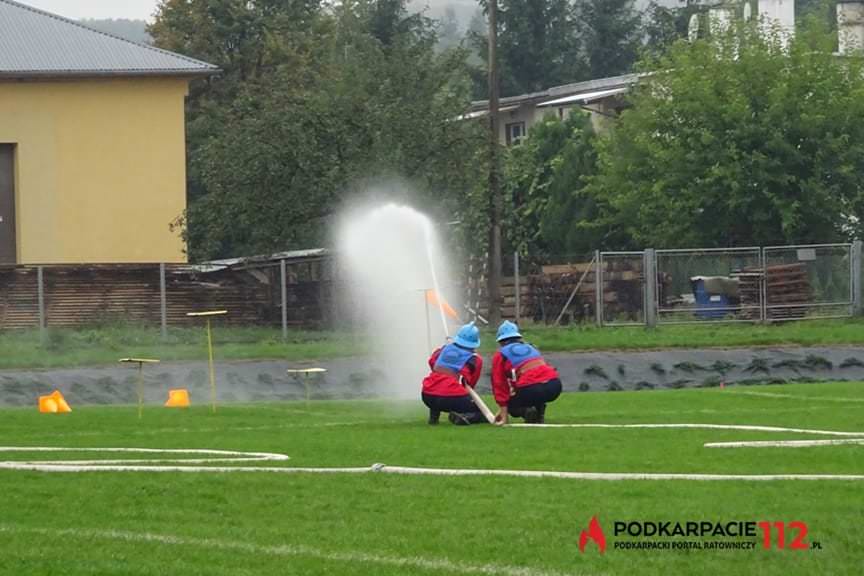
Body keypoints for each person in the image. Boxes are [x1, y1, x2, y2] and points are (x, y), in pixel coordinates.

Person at [491, 321, 561, 425]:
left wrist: (503, 412)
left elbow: (499, 384)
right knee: (537, 387)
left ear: (501, 341)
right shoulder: (531, 347)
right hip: (554, 385)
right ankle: (539, 414)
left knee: (512, 403)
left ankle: (526, 412)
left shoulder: (501, 354)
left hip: (531, 388)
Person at [421, 322, 487, 425]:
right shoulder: (475, 359)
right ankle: (463, 417)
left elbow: (432, 362)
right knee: (480, 412)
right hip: (452, 397)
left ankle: (433, 419)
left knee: (437, 385)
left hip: (427, 395)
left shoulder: (443, 349)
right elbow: (470, 383)